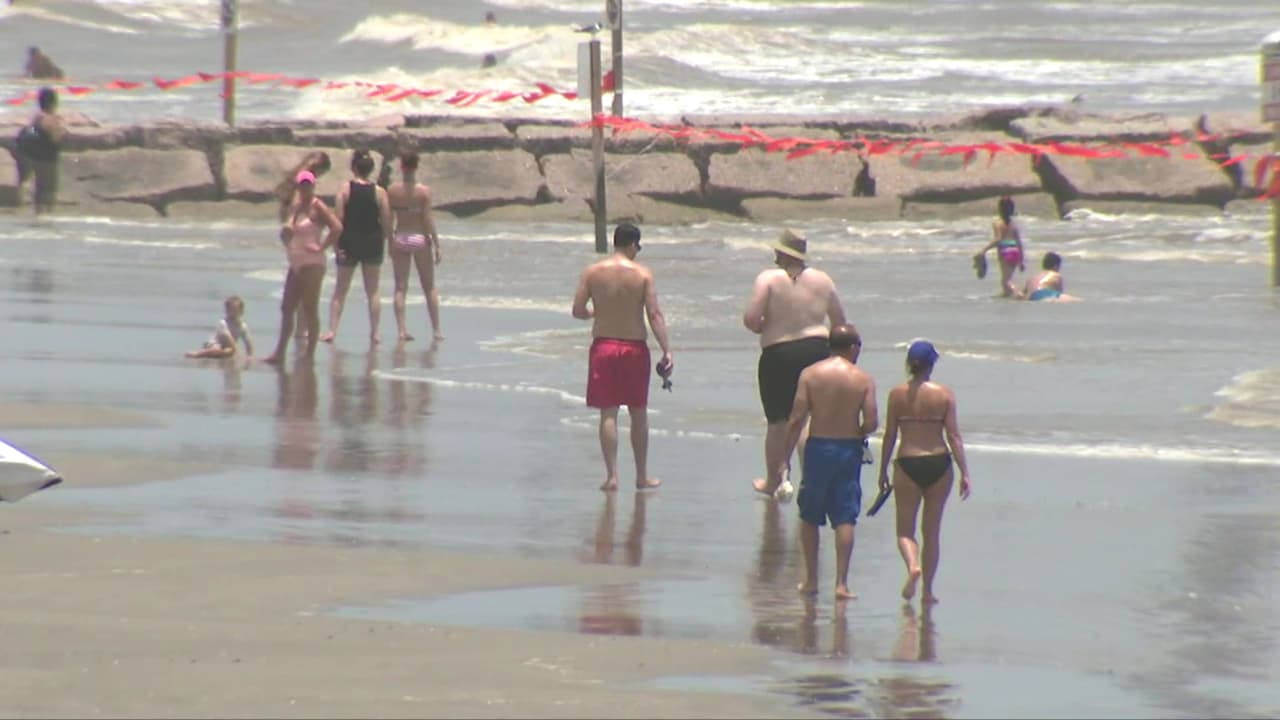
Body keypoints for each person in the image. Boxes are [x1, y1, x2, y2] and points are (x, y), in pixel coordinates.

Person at [743, 229, 847, 501]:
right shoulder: (823, 280)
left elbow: (751, 319)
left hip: (779, 353)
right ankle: (809, 480)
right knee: (808, 419)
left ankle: (774, 481)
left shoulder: (768, 279)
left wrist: (768, 326)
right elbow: (840, 323)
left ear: (784, 252)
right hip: (816, 350)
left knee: (778, 419)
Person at [779, 324, 878, 600]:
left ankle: (811, 580)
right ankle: (841, 584)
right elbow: (871, 422)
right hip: (847, 450)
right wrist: (857, 431)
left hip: (818, 447)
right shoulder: (863, 379)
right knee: (845, 516)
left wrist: (784, 458)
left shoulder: (810, 375)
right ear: (854, 347)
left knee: (809, 514)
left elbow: (797, 418)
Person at [571, 223, 672, 492]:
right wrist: (666, 349)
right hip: (634, 349)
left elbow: (578, 310)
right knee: (638, 412)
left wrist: (596, 314)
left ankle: (612, 476)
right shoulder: (642, 274)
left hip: (603, 347)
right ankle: (641, 476)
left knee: (608, 413)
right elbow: (654, 314)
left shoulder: (592, 272)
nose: (638, 251)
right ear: (631, 245)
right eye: (637, 247)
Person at [877, 340, 972, 606]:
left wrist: (884, 468)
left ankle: (912, 567)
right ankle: (928, 592)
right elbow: (953, 435)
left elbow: (890, 435)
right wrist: (965, 472)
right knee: (932, 532)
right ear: (931, 364)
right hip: (939, 463)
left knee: (905, 532)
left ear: (909, 364)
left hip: (908, 462)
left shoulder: (896, 394)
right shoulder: (944, 394)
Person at [263, 170, 343, 365]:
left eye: (309, 185)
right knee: (287, 306)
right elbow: (286, 237)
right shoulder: (296, 208)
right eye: (302, 185)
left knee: (309, 308)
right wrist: (285, 235)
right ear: (298, 187)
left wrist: (322, 246)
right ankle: (279, 352)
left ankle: (309, 354)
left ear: (313, 186)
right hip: (296, 262)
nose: (306, 188)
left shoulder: (318, 207)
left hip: (313, 263)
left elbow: (337, 227)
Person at [320, 149, 392, 346]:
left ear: (353, 168)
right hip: (372, 243)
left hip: (349, 242)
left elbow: (339, 220)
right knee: (373, 291)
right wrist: (387, 243)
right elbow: (386, 223)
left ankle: (332, 331)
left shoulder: (344, 190)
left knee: (340, 290)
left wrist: (335, 245)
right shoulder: (380, 192)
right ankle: (375, 333)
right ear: (371, 170)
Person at [275, 151, 332, 342]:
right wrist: (322, 245)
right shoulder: (303, 186)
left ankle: (298, 331)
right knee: (305, 294)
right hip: (303, 243)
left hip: (293, 241)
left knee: (297, 286)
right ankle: (301, 331)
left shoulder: (292, 181)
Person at [386, 151, 443, 342]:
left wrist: (389, 241)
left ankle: (402, 330)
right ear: (416, 167)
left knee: (400, 287)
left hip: (400, 236)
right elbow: (427, 219)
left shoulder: (392, 191)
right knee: (429, 286)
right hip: (419, 238)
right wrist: (436, 244)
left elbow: (388, 219)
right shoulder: (424, 192)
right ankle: (436, 330)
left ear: (401, 166)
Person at [14, 87, 66, 214]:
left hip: (31, 157)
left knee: (37, 193)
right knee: (48, 194)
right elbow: (56, 138)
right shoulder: (51, 118)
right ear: (54, 102)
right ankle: (45, 224)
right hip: (47, 160)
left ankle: (37, 220)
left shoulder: (36, 117)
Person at [973, 195, 1024, 298]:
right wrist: (1021, 261)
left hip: (1005, 251)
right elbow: (1019, 243)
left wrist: (984, 250)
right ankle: (1004, 296)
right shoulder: (1013, 225)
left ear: (999, 208)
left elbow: (998, 239)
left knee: (1006, 281)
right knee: (1006, 278)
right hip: (1015, 251)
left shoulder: (998, 223)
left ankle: (1019, 294)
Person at [185, 296, 253, 359]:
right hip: (214, 343)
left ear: (241, 312)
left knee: (228, 351)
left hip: (228, 348)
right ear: (226, 311)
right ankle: (197, 354)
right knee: (218, 349)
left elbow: (248, 342)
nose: (233, 313)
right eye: (230, 310)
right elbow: (229, 339)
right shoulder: (223, 323)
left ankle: (219, 355)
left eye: (235, 311)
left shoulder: (243, 326)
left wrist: (249, 356)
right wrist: (237, 353)